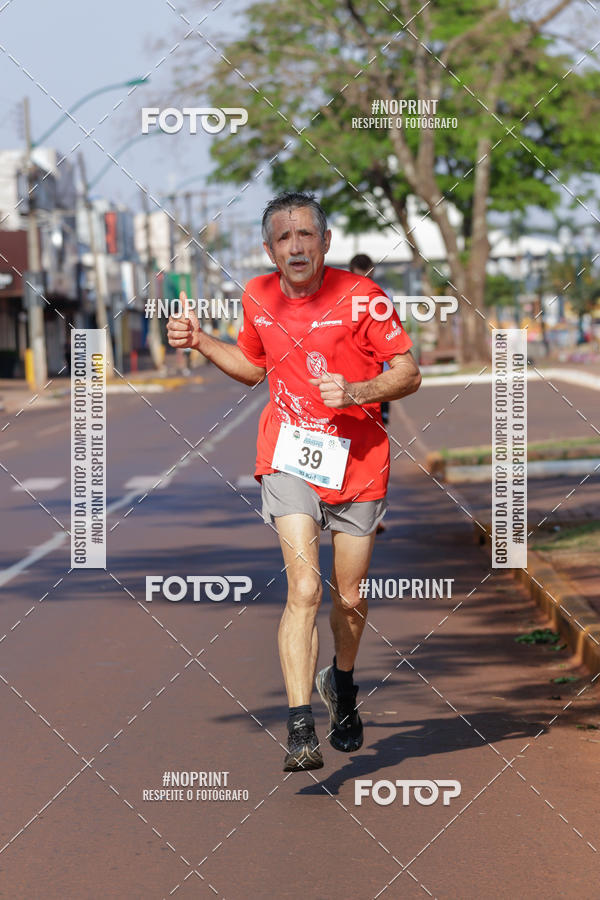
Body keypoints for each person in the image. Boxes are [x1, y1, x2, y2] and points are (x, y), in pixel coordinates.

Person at [167, 191, 421, 772]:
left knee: (349, 596)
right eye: (284, 238)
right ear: (269, 249)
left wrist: (356, 392)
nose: (297, 246)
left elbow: (407, 373)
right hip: (289, 457)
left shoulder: (364, 299)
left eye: (306, 234)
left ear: (325, 243)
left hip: (359, 463)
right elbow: (254, 370)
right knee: (304, 589)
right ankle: (300, 727)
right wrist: (203, 342)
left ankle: (344, 683)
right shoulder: (256, 295)